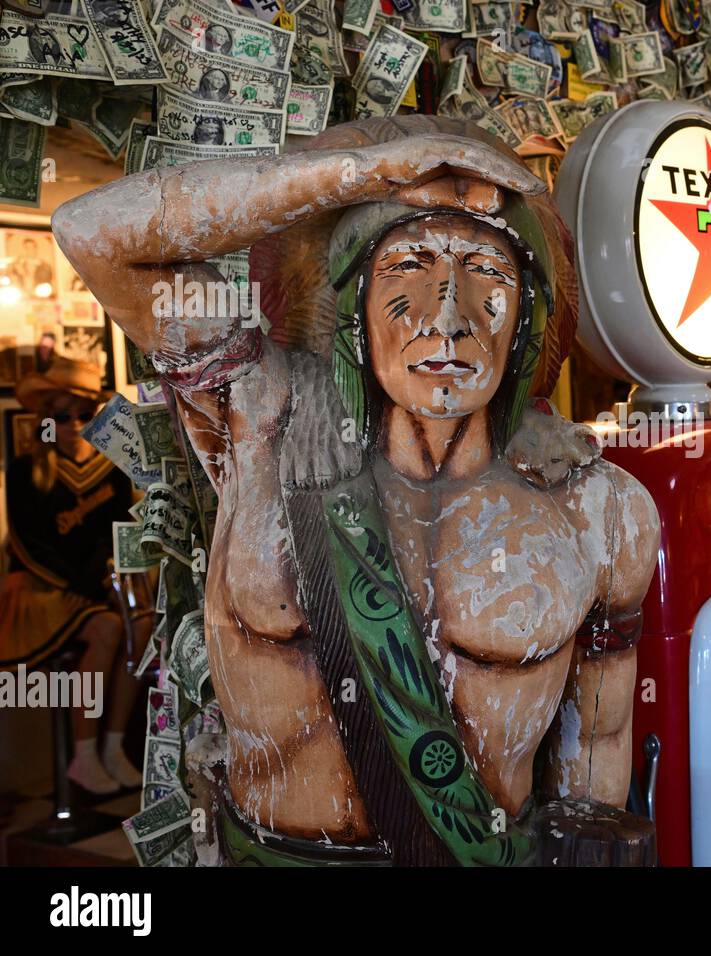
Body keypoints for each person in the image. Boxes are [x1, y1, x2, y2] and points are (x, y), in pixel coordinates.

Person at [53, 116, 659, 865]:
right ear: (352, 306)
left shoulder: (599, 510)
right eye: (408, 263)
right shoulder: (263, 421)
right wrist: (361, 176)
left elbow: (596, 747)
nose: (448, 318)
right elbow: (90, 231)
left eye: (489, 273)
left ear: (526, 321)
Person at [0, 358, 146, 794]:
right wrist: (81, 585)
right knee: (105, 630)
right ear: (48, 421)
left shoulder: (112, 469)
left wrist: (109, 575)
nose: (73, 424)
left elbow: (118, 534)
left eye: (83, 414)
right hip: (46, 590)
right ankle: (84, 755)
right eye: (62, 417)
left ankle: (114, 747)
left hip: (97, 587)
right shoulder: (28, 470)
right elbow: (28, 545)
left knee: (142, 629)